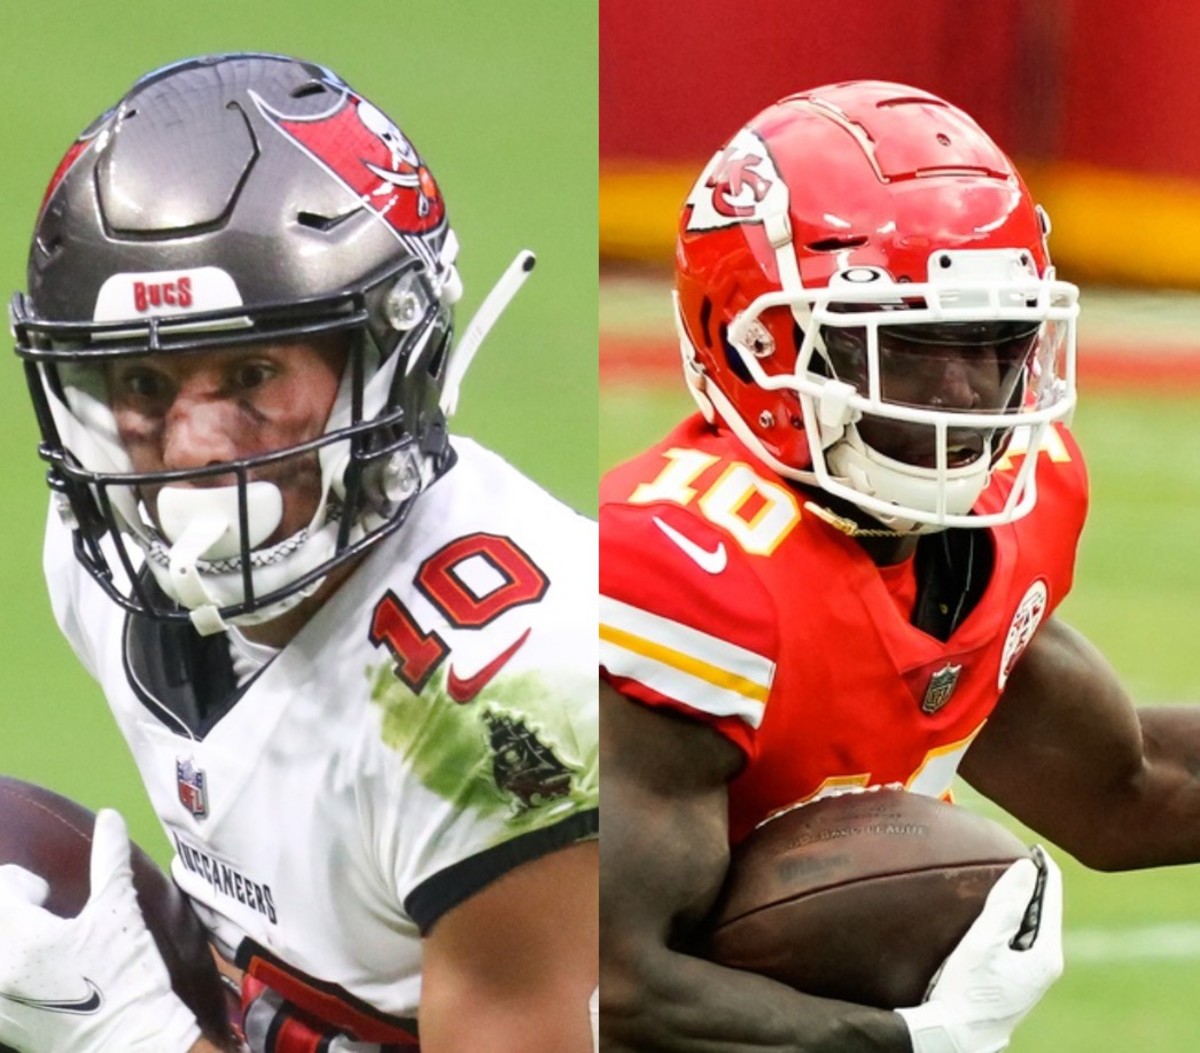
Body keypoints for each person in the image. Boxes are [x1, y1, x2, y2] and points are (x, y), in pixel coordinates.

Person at [0, 53, 598, 1052]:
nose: (193, 447)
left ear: (386, 359)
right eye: (144, 386)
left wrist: (135, 1036)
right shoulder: (101, 551)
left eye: (251, 372)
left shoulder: (501, 700)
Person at [599, 79, 1200, 1052]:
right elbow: (604, 986)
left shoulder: (1013, 514)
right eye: (909, 347)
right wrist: (907, 1042)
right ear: (758, 347)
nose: (963, 395)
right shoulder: (686, 575)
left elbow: (1121, 790)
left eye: (994, 340)